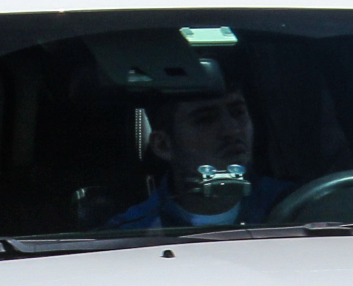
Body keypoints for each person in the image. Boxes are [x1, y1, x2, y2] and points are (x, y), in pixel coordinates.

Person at [107, 85, 292, 229]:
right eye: (205, 119)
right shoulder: (130, 233)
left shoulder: (298, 208)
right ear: (163, 145)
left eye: (238, 112)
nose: (232, 130)